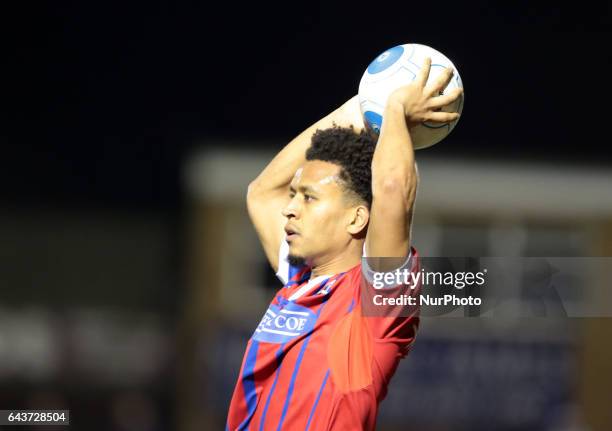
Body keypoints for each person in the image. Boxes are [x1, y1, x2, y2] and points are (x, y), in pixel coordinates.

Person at [226, 58, 462, 430]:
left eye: (308, 197)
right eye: (294, 196)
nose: (289, 209)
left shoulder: (376, 304)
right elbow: (261, 192)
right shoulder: (298, 282)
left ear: (356, 218)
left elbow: (392, 190)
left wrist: (397, 110)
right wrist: (363, 105)